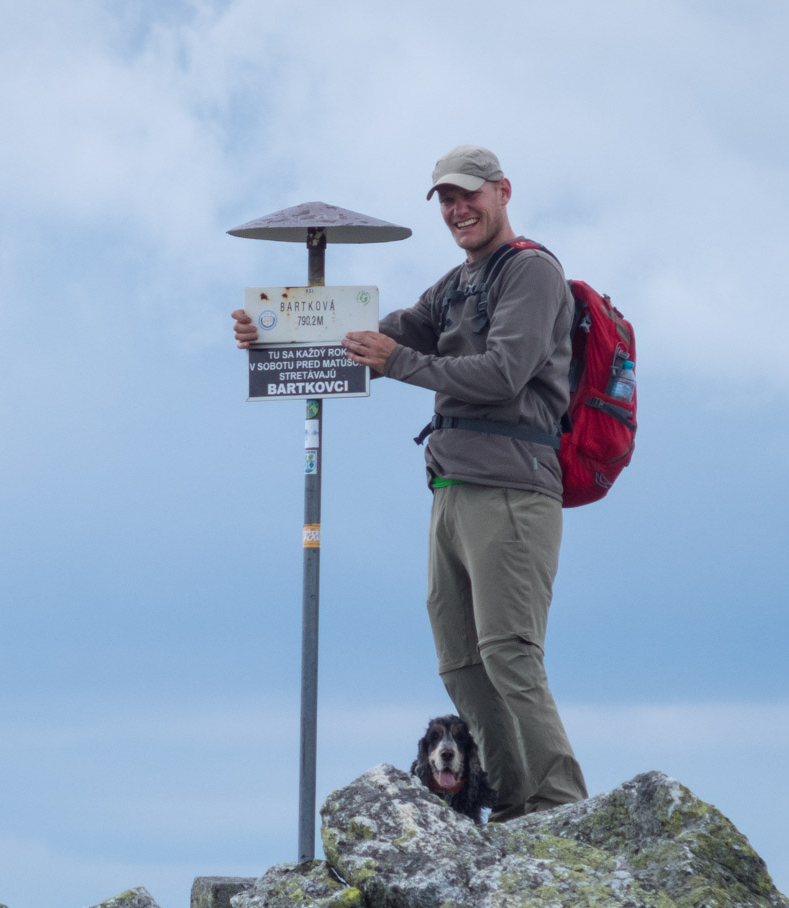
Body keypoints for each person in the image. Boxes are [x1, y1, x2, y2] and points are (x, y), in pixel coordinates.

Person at [232, 144, 586, 819]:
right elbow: (373, 339)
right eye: (446, 200)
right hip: (452, 491)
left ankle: (563, 809)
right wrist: (272, 336)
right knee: (459, 662)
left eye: (469, 195)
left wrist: (400, 362)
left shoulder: (534, 275)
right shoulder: (459, 283)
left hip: (512, 489)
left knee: (508, 653)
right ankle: (513, 807)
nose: (457, 209)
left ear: (503, 192)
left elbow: (503, 373)